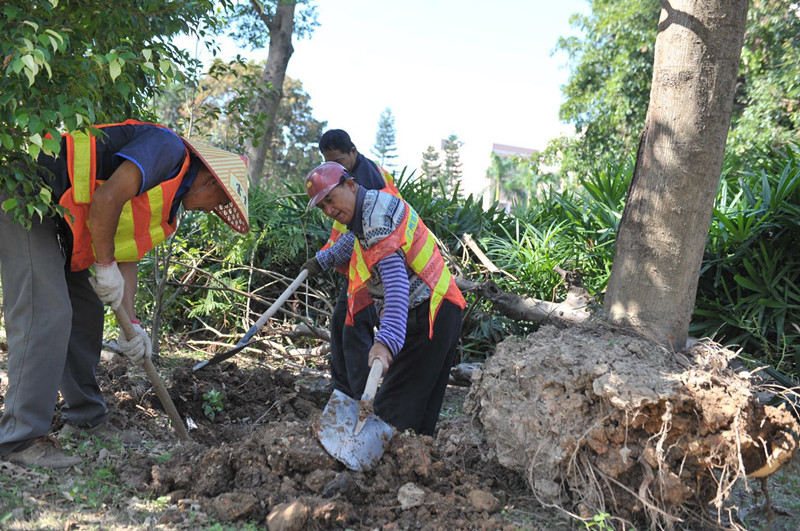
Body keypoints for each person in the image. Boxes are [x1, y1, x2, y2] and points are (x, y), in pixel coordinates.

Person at [0, 119, 249, 469]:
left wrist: (130, 324)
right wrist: (104, 266)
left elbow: (127, 252)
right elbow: (107, 198)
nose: (210, 209)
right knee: (47, 313)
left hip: (60, 217)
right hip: (27, 190)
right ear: (210, 181)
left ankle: (86, 420)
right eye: (215, 201)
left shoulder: (169, 206)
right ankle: (18, 439)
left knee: (85, 315)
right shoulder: (170, 151)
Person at [303, 161, 465, 435]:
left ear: (351, 185)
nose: (329, 210)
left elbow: (397, 285)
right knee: (419, 417)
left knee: (391, 413)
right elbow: (351, 241)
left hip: (430, 313)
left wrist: (385, 342)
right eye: (322, 207)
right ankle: (414, 465)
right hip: (441, 307)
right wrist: (322, 260)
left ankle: (373, 469)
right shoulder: (370, 205)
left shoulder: (375, 221)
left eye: (331, 200)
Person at [303, 129, 401, 402]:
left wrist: (328, 258)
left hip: (373, 268)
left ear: (353, 152)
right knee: (339, 322)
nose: (334, 166)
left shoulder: (367, 180)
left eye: (339, 160)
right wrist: (324, 258)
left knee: (355, 325)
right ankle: (342, 389)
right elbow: (346, 234)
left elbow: (364, 236)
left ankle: (359, 396)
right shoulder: (339, 180)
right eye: (328, 160)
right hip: (356, 265)